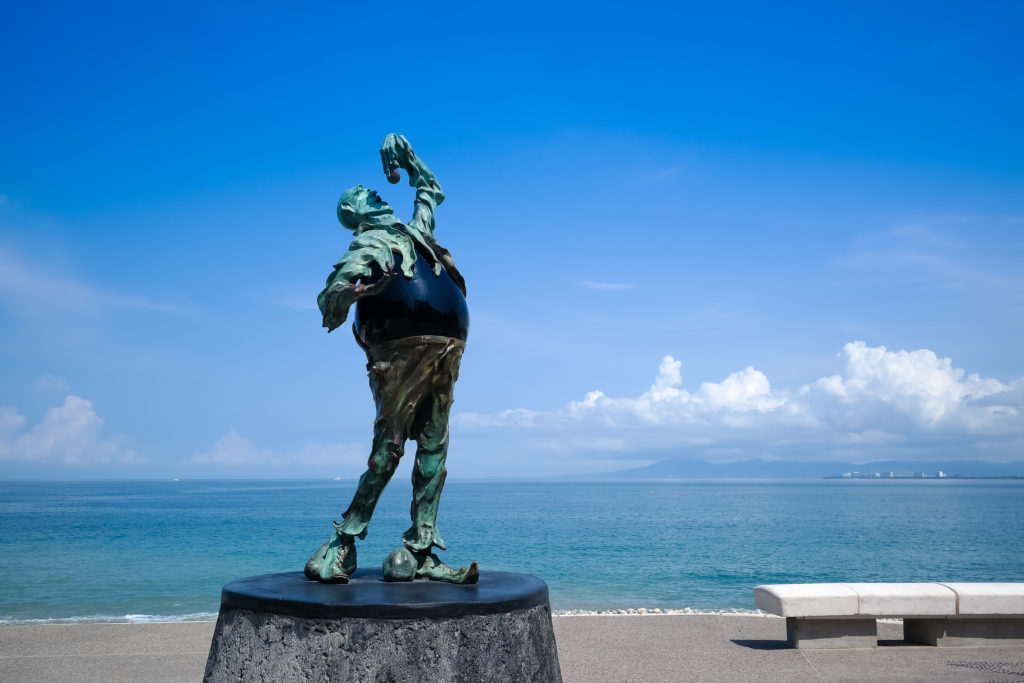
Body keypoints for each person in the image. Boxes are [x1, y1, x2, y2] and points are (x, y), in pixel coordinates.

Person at [305, 134, 478, 584]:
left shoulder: (416, 235)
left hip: (447, 349)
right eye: (364, 193)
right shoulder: (368, 245)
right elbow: (330, 302)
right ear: (354, 210)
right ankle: (343, 541)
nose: (374, 192)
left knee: (435, 446)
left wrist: (409, 159)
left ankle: (421, 547)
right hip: (399, 352)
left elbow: (429, 190)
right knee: (390, 447)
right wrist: (356, 290)